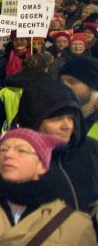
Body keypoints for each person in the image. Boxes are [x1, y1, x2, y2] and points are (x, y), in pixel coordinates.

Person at [14, 75, 98, 211]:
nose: (67, 126)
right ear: (34, 121)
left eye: (71, 118)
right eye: (57, 119)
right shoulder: (14, 159)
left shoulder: (90, 149)